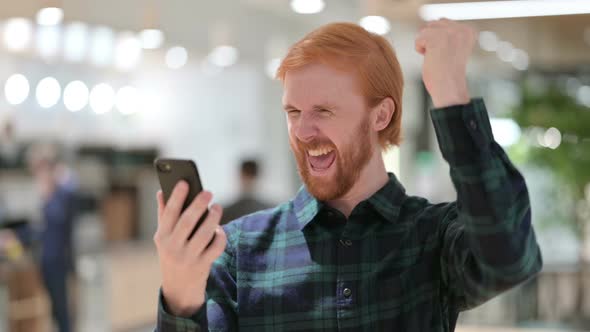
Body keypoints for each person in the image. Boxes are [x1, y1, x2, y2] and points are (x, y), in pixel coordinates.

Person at [153, 19, 542, 331]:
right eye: (293, 112)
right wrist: (180, 297)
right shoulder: (241, 249)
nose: (303, 132)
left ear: (381, 115)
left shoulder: (433, 236)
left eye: (323, 111)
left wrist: (451, 94)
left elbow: (510, 259)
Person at [27, 144, 76, 332]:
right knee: (54, 311)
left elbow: (60, 218)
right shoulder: (48, 194)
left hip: (60, 261)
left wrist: (50, 192)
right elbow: (40, 227)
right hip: (46, 259)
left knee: (63, 312)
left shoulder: (63, 190)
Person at [220, 159, 272, 225]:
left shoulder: (225, 212)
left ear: (241, 175)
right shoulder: (272, 211)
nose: (249, 180)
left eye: (250, 174)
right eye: (248, 174)